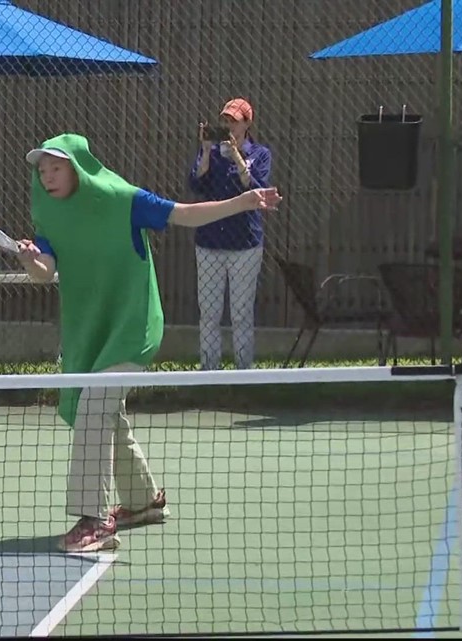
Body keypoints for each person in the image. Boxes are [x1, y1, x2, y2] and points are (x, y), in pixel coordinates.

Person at [18, 132, 281, 553]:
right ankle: (143, 501)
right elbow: (45, 271)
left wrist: (243, 202)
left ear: (79, 169)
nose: (47, 176)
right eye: (42, 170)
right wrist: (32, 259)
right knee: (105, 411)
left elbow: (185, 214)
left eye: (56, 167)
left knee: (94, 403)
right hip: (90, 330)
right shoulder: (49, 215)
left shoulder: (125, 200)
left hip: (133, 326)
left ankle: (93, 519)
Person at [189, 98, 273, 371]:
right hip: (210, 241)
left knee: (241, 313)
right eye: (225, 121)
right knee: (209, 312)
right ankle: (209, 370)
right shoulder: (211, 153)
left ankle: (243, 372)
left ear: (247, 124)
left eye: (234, 122)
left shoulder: (259, 153)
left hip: (244, 244)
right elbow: (196, 184)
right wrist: (205, 151)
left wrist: (236, 156)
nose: (229, 127)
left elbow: (257, 189)